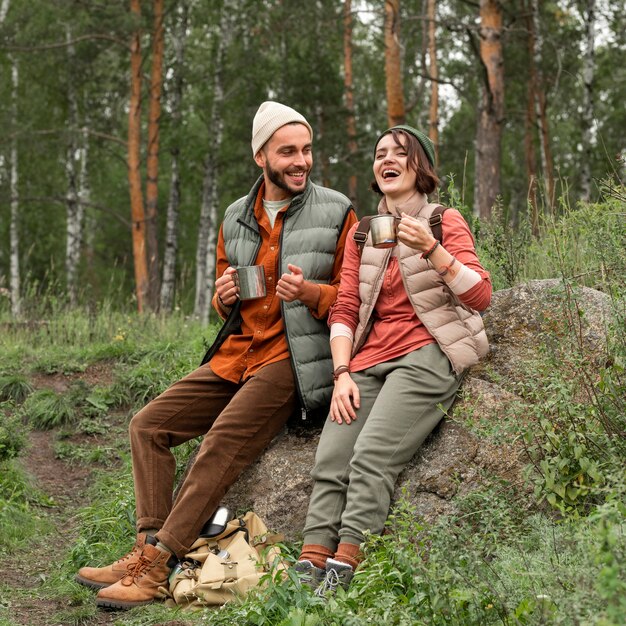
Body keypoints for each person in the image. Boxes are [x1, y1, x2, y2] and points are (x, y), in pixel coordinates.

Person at [75, 101, 357, 610]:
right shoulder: (235, 216)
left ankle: (156, 570)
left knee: (220, 442)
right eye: (288, 151)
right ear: (260, 156)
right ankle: (143, 550)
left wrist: (312, 293)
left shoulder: (337, 210)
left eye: (307, 150)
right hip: (238, 353)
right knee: (147, 425)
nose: (302, 161)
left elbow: (356, 297)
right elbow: (225, 297)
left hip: (291, 362)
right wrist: (221, 295)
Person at [295, 125, 492, 595]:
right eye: (380, 153)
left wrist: (432, 248)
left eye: (399, 153)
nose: (388, 160)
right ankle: (309, 562)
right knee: (331, 458)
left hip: (428, 353)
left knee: (370, 457)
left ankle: (347, 563)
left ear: (419, 165)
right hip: (368, 359)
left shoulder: (444, 220)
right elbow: (344, 307)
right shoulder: (363, 232)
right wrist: (342, 372)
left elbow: (481, 295)